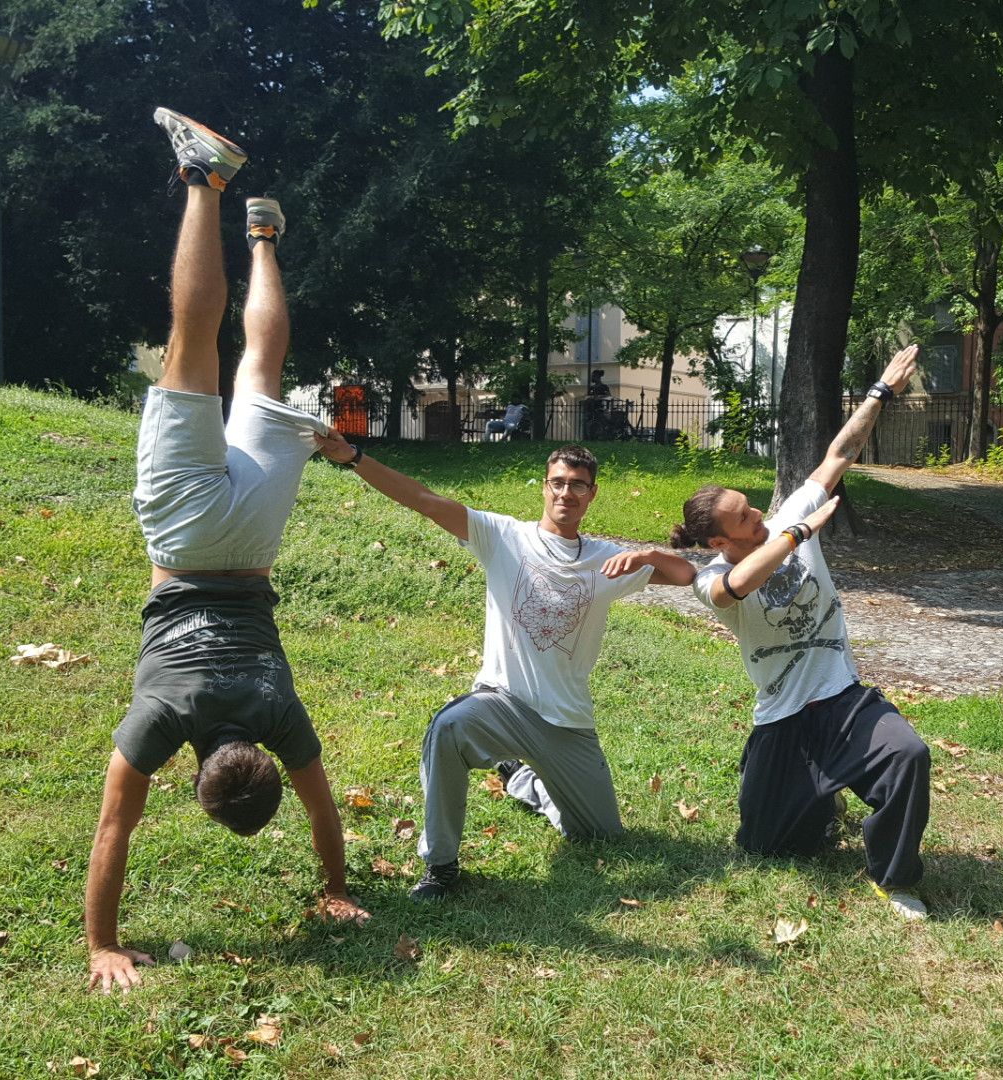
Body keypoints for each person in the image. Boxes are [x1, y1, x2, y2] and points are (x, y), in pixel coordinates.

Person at [86, 109, 369, 994]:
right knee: (190, 350)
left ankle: (264, 239)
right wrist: (102, 945)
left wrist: (337, 890)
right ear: (201, 775)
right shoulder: (161, 721)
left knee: (259, 373)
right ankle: (205, 180)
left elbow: (326, 811)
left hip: (252, 544)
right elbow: (112, 830)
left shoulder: (283, 717)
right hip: (183, 542)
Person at [310, 431, 698, 900]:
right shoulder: (502, 537)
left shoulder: (605, 559)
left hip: (567, 722)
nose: (566, 493)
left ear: (592, 494)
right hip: (502, 701)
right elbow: (423, 499)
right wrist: (353, 457)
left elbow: (687, 576)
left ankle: (522, 779)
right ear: (544, 486)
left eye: (578, 484)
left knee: (600, 836)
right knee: (448, 727)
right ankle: (441, 865)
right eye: (558, 482)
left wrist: (649, 554)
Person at [667, 345, 934, 920]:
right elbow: (735, 588)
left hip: (840, 697)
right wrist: (795, 535)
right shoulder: (712, 575)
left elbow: (840, 453)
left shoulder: (784, 515)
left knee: (909, 754)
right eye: (744, 517)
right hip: (782, 719)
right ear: (718, 540)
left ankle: (894, 878)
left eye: (753, 506)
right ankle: (816, 799)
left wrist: (878, 394)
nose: (759, 516)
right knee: (765, 848)